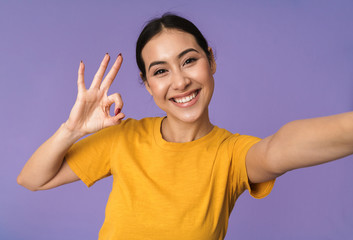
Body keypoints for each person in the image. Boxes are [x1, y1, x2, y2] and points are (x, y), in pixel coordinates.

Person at [17, 13, 353, 240]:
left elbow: (281, 147)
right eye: (160, 71)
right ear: (147, 85)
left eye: (189, 60)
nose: (180, 81)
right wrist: (71, 130)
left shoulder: (232, 155)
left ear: (211, 60)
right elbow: (32, 179)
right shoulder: (123, 137)